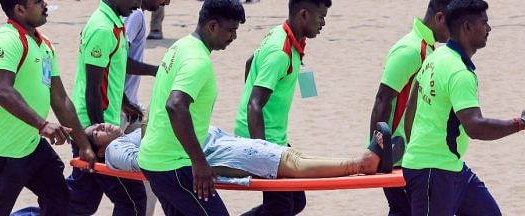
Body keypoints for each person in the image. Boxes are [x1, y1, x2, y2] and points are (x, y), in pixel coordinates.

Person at [0, 0, 96, 215]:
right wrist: (42, 125)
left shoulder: (45, 44)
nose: (45, 5)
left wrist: (83, 144)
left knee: (59, 197)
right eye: (39, 1)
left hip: (30, 146)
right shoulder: (6, 40)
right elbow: (1, 90)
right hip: (0, 151)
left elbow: (60, 100)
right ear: (19, 9)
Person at [402, 0, 525, 216]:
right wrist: (520, 123)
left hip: (450, 166)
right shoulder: (460, 73)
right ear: (467, 27)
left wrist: (416, 148)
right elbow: (475, 127)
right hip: (433, 170)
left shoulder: (436, 55)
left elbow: (412, 105)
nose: (489, 28)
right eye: (484, 22)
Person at [139, 0, 246, 216]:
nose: (234, 37)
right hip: (173, 165)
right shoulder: (198, 60)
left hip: (156, 160)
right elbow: (175, 105)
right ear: (213, 26)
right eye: (231, 30)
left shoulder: (180, 46)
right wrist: (199, 163)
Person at [234, 0, 331, 216]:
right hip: (261, 137)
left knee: (296, 201)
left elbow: (250, 62)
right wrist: (262, 153)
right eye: (321, 18)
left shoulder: (284, 34)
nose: (323, 24)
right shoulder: (281, 51)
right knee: (280, 207)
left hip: (274, 136)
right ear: (304, 15)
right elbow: (254, 105)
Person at [67, 0, 154, 215]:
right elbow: (93, 88)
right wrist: (98, 136)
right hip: (95, 128)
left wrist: (125, 100)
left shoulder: (113, 23)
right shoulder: (103, 29)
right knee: (133, 201)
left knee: (81, 202)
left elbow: (111, 72)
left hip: (95, 126)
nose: (138, 6)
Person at [367, 0, 457, 216]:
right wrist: (376, 151)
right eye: (454, 23)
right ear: (439, 17)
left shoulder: (426, 48)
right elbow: (382, 100)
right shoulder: (411, 49)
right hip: (398, 154)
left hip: (414, 153)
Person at [95, 122, 399, 180]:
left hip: (218, 144)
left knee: (292, 158)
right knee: (289, 164)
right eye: (96, 133)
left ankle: (363, 161)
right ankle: (361, 164)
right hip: (215, 156)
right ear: (98, 149)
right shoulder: (116, 151)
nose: (102, 126)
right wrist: (150, 125)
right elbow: (143, 162)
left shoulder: (127, 136)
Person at [123, 0, 181, 108]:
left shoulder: (132, 11)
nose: (166, 3)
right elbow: (119, 60)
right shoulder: (135, 14)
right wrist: (157, 71)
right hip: (120, 105)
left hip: (128, 102)